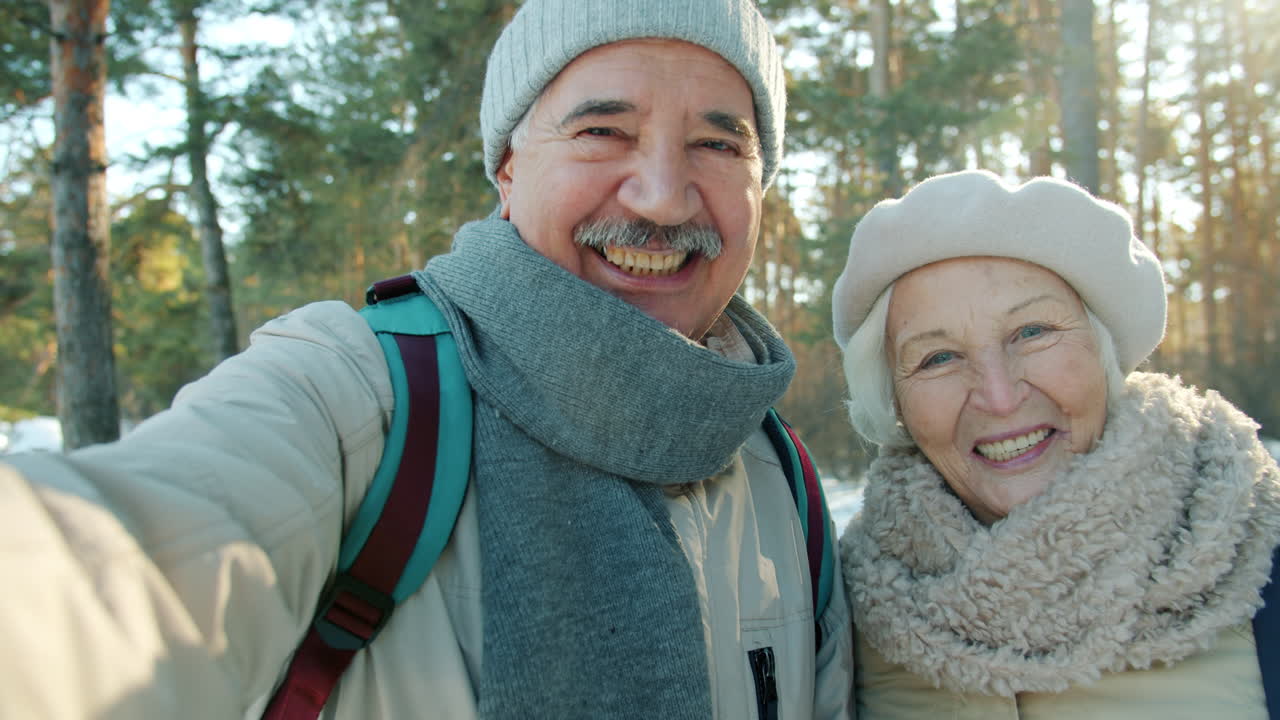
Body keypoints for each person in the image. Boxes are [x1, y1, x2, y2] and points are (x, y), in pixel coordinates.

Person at [0, 1, 854, 718]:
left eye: (718, 143)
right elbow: (106, 573)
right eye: (603, 129)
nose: (663, 195)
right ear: (509, 170)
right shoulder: (360, 396)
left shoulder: (777, 471)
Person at [830, 168, 1280, 718]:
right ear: (894, 400)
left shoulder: (1253, 538)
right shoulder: (845, 610)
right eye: (938, 358)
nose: (998, 396)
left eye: (1032, 332)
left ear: (1103, 348)